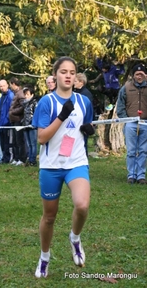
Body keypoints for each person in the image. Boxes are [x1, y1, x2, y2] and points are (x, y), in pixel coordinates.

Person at [32, 56, 94, 278]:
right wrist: (62, 116)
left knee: (82, 205)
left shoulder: (84, 101)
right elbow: (41, 138)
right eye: (63, 72)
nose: (68, 76)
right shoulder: (46, 102)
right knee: (49, 217)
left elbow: (85, 125)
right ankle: (44, 256)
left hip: (76, 162)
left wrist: (88, 129)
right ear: (55, 75)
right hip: (51, 166)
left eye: (72, 72)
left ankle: (75, 238)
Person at [116, 63, 147, 185]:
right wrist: (126, 119)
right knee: (131, 150)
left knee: (143, 150)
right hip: (130, 123)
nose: (139, 76)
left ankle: (141, 175)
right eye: (137, 74)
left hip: (145, 123)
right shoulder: (126, 87)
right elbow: (120, 106)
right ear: (133, 75)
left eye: (141, 74)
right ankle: (131, 175)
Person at [74, 73, 94, 157]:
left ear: (81, 82)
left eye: (75, 81)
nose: (73, 83)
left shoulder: (86, 95)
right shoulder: (74, 92)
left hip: (83, 123)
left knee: (82, 144)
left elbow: (88, 109)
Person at [0, 79, 14, 163]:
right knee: (2, 142)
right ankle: (3, 157)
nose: (2, 88)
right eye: (0, 86)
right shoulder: (1, 96)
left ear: (7, 85)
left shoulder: (10, 96)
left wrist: (7, 121)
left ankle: (8, 158)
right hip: (0, 124)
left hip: (7, 124)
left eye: (3, 86)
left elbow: (10, 110)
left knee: (7, 142)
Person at [9, 77, 27, 166]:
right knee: (15, 140)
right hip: (14, 120)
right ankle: (16, 158)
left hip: (18, 120)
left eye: (10, 84)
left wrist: (13, 112)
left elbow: (23, 106)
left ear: (13, 84)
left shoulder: (20, 93)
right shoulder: (15, 93)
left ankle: (22, 158)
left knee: (20, 140)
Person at [22, 85, 38, 166]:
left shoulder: (35, 103)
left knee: (33, 143)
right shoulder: (25, 104)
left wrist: (33, 123)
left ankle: (33, 160)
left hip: (32, 126)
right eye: (25, 94)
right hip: (26, 125)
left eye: (27, 94)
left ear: (32, 95)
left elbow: (36, 114)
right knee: (28, 144)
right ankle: (29, 158)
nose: (26, 96)